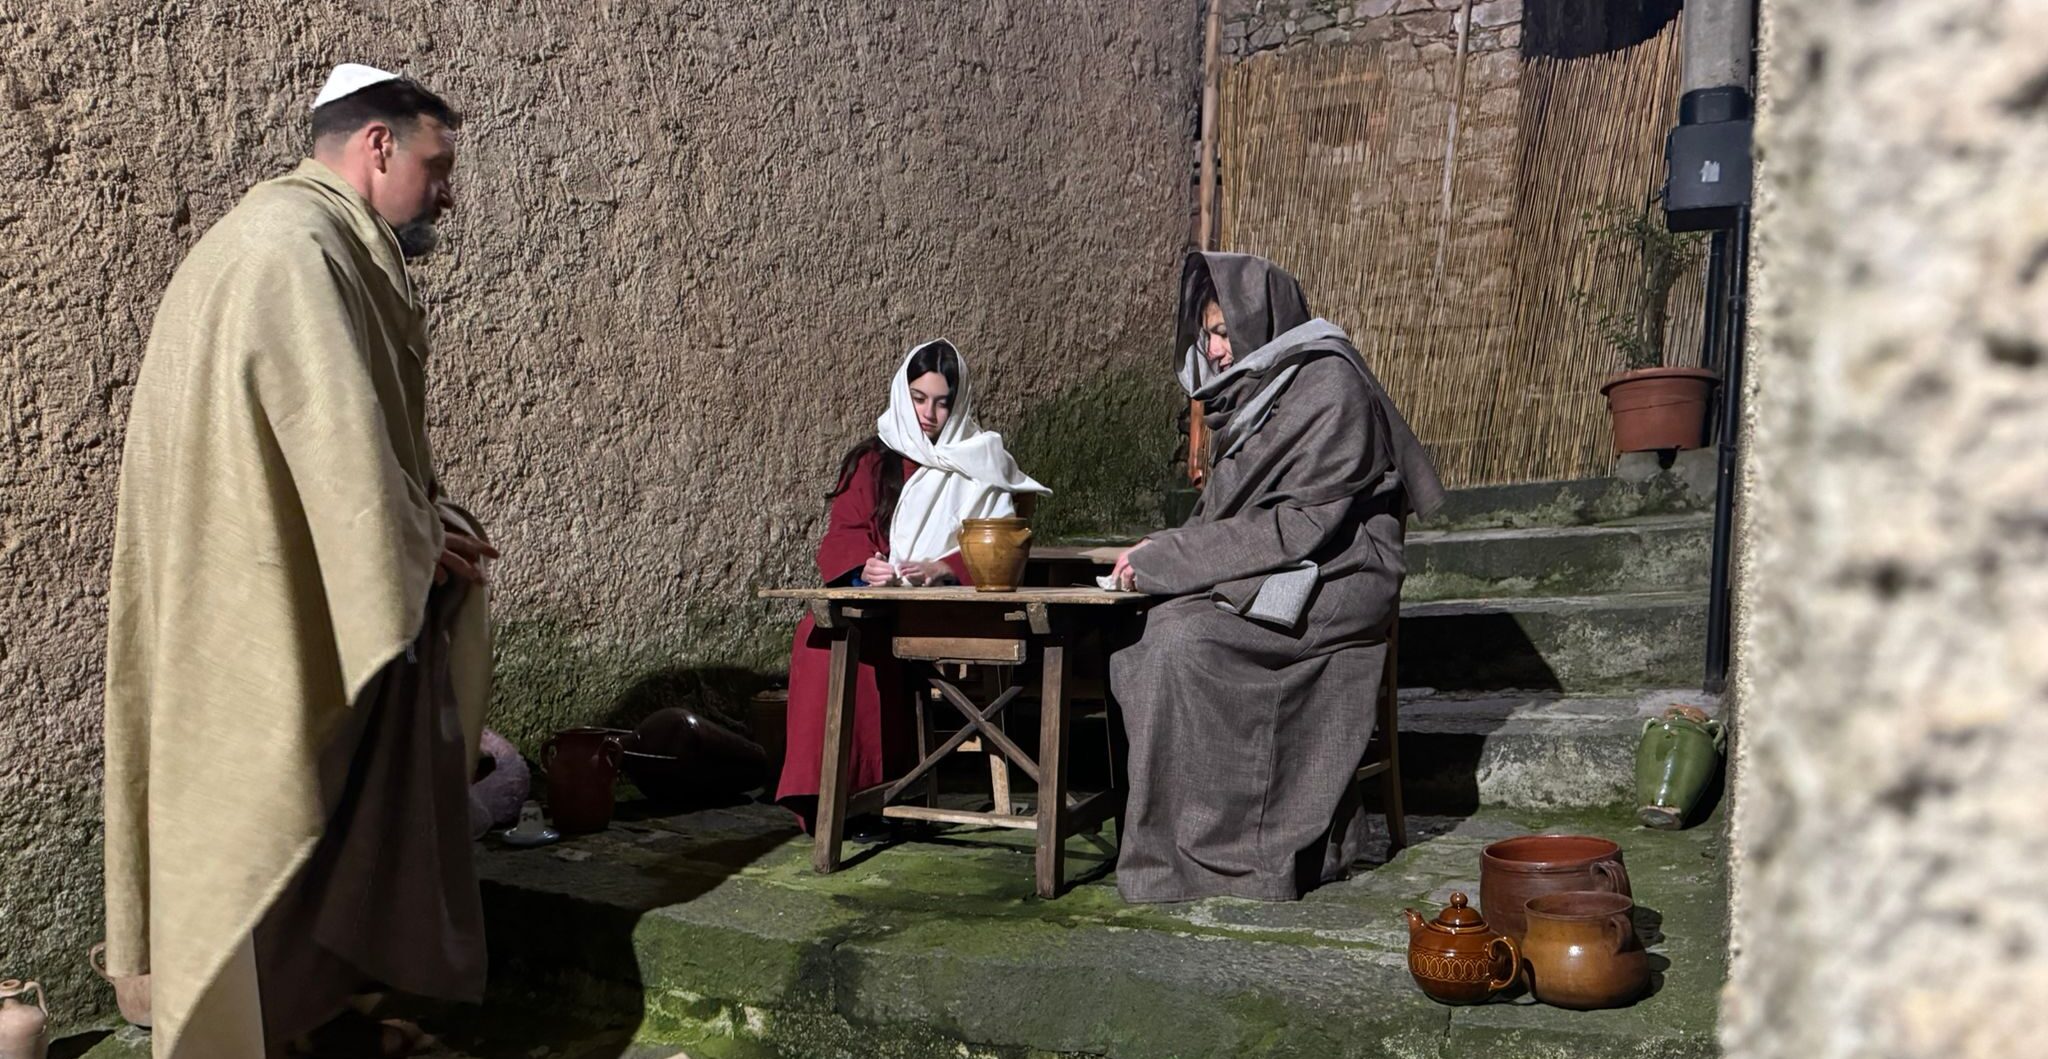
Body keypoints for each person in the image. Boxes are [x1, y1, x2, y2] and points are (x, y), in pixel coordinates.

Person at [101, 64, 496, 1058]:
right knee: (264, 805)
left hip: (274, 569)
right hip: (256, 591)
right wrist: (411, 532)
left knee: (318, 808)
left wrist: (418, 513)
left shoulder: (300, 241)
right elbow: (333, 447)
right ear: (377, 146)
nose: (446, 191)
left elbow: (336, 439)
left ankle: (311, 1022)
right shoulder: (292, 246)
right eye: (436, 165)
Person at [1106, 251, 1445, 904]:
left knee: (1189, 647)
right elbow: (1237, 517)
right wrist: (1167, 548)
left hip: (1339, 571)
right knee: (1154, 636)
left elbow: (1298, 526)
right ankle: (1171, 853)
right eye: (1207, 332)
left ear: (1267, 319)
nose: (1216, 345)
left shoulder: (1328, 384)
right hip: (1284, 561)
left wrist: (1171, 559)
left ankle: (1242, 855)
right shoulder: (1254, 392)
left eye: (1226, 328)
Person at [776, 340, 1049, 831]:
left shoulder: (979, 459)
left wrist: (944, 569)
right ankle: (826, 798)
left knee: (870, 648)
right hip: (879, 604)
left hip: (947, 608)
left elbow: (1000, 542)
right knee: (819, 638)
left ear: (959, 401)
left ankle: (876, 794)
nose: (930, 413)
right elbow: (843, 536)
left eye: (943, 401)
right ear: (904, 393)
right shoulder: (873, 461)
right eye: (920, 398)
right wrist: (867, 568)